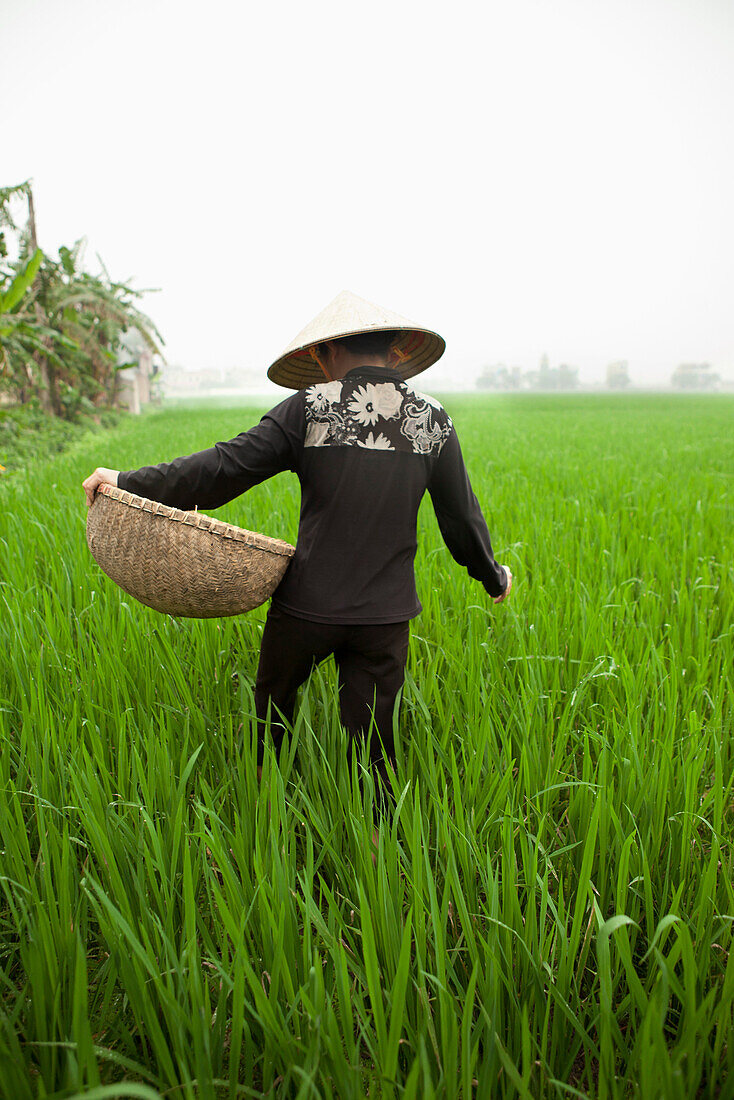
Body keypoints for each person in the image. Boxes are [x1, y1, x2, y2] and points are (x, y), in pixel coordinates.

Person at [83, 290, 512, 826]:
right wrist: (492, 575)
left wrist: (127, 481)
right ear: (395, 351)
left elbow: (220, 470)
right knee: (374, 748)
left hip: (306, 608)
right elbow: (461, 520)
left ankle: (263, 822)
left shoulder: (308, 409)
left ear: (329, 351)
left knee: (272, 719)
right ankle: (376, 852)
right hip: (383, 617)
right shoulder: (433, 422)